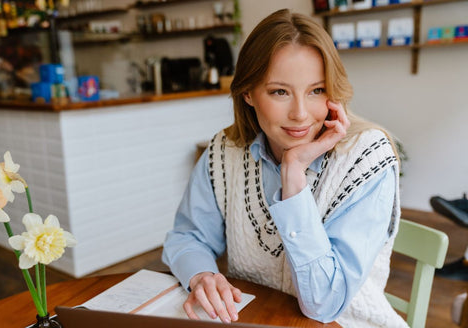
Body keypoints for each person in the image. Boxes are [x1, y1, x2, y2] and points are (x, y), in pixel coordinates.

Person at [162, 9, 407, 328]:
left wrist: (293, 174)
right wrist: (202, 275)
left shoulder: (367, 157)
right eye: (280, 92)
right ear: (248, 92)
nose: (301, 114)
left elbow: (324, 305)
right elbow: (187, 235)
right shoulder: (226, 151)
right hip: (255, 319)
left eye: (316, 90)